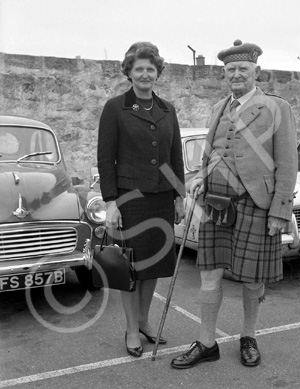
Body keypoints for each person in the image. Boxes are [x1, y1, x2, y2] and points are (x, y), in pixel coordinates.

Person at [171, 40, 298, 369]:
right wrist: (200, 175)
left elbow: (287, 164)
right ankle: (207, 341)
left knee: (253, 279)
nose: (236, 74)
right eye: (230, 70)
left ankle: (248, 336)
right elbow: (212, 151)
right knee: (209, 275)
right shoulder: (218, 108)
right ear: (224, 74)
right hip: (216, 203)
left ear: (256, 71)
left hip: (256, 205)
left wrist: (280, 211)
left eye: (243, 69)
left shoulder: (276, 108)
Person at [97, 42, 185, 358]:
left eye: (150, 68)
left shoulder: (167, 109)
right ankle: (131, 329)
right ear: (129, 73)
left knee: (154, 267)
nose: (145, 74)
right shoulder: (115, 108)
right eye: (139, 69)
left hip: (161, 199)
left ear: (157, 72)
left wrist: (179, 196)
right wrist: (110, 203)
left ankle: (145, 321)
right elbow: (105, 159)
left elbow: (174, 157)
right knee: (129, 269)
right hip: (129, 201)